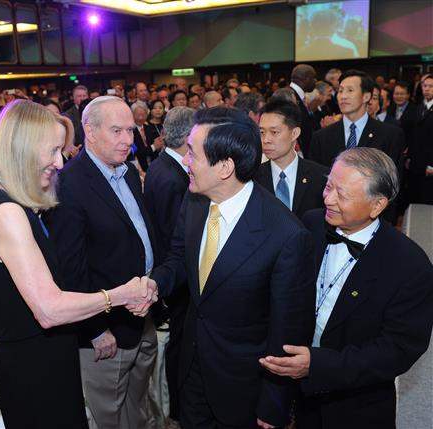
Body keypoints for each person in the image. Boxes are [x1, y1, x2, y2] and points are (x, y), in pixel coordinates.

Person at [0, 100, 156, 428]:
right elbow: (49, 310)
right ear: (23, 148)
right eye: (53, 150)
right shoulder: (7, 213)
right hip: (35, 368)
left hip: (46, 358)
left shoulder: (6, 201)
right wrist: (119, 296)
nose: (59, 161)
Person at [147, 107, 315, 429]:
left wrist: (274, 403)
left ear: (225, 167)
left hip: (242, 387)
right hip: (192, 369)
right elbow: (179, 259)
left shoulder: (286, 235)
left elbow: (287, 330)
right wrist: (154, 284)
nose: (186, 161)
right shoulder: (195, 200)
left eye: (193, 154)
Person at [260, 148, 433, 428]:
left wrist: (318, 365)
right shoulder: (312, 224)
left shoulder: (410, 265)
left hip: (357, 405)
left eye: (342, 194)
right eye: (328, 186)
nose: (328, 199)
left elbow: (397, 350)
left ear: (377, 205)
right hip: (297, 396)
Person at [47, 96, 159, 429]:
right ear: (90, 132)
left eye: (130, 130)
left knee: (137, 407)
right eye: (117, 131)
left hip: (142, 314)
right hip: (105, 328)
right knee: (109, 416)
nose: (128, 139)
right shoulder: (68, 183)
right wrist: (95, 330)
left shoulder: (127, 172)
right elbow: (70, 268)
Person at [142, 106, 194, 425]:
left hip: (169, 273)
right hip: (175, 276)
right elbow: (177, 237)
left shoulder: (163, 165)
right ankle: (178, 408)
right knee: (180, 343)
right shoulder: (174, 178)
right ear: (189, 137)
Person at [310, 70, 405, 170]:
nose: (343, 96)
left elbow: (392, 176)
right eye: (340, 91)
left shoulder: (390, 135)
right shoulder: (321, 137)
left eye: (350, 90)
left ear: (366, 97)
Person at [256, 98, 328, 219]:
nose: (266, 140)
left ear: (294, 133)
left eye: (274, 132)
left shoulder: (321, 178)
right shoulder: (252, 178)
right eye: (262, 132)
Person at [408, 74, 433, 204]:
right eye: (425, 86)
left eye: (431, 86)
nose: (427, 89)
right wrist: (409, 157)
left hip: (429, 164)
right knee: (414, 198)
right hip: (415, 162)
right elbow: (413, 135)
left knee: (427, 199)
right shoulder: (417, 108)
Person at [289, 64, 317, 156]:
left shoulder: (299, 96)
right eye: (314, 78)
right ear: (306, 78)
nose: (315, 81)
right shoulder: (288, 96)